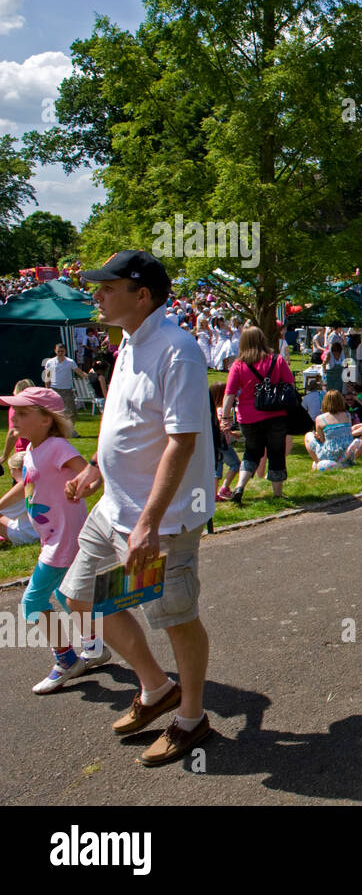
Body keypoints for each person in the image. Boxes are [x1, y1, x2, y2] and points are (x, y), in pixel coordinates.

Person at [60, 249, 216, 766]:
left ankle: (191, 719)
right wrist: (97, 469)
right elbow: (130, 423)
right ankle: (156, 687)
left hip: (161, 523)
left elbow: (181, 442)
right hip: (113, 510)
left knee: (173, 617)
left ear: (141, 295)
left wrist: (148, 524)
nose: (97, 296)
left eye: (107, 288)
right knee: (81, 596)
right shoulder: (127, 342)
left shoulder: (178, 350)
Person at [0, 387, 106, 693]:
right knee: (64, 594)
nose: (14, 419)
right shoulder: (33, 450)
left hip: (64, 540)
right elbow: (27, 485)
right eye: (14, 412)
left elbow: (91, 474)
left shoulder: (57, 447)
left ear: (47, 420)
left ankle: (67, 660)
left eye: (22, 413)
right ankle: (94, 645)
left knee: (32, 602)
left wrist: (85, 486)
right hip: (53, 539)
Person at [219, 326, 292, 505]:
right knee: (276, 452)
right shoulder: (277, 360)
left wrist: (225, 418)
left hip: (248, 416)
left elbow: (229, 393)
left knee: (252, 452)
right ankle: (277, 494)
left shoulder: (238, 365)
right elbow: (290, 383)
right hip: (275, 413)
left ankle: (240, 487)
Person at [304, 389, 362, 470]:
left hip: (330, 454)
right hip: (347, 453)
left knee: (308, 435)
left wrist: (318, 436)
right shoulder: (347, 415)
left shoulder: (320, 418)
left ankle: (319, 463)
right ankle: (343, 462)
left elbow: (322, 440)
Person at [44, 344, 88, 438]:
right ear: (55, 351)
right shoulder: (50, 362)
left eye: (62, 351)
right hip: (54, 389)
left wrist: (88, 376)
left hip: (67, 390)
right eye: (59, 351)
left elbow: (78, 372)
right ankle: (53, 431)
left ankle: (70, 430)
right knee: (55, 412)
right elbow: (47, 377)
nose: (60, 353)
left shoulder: (70, 362)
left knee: (72, 411)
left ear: (65, 351)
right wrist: (47, 390)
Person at [208, 383, 240, 501]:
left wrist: (231, 434)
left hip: (215, 442)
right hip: (222, 443)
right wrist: (230, 433)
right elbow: (222, 426)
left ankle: (214, 493)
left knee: (217, 468)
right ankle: (223, 489)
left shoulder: (212, 410)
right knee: (235, 464)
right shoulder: (221, 410)